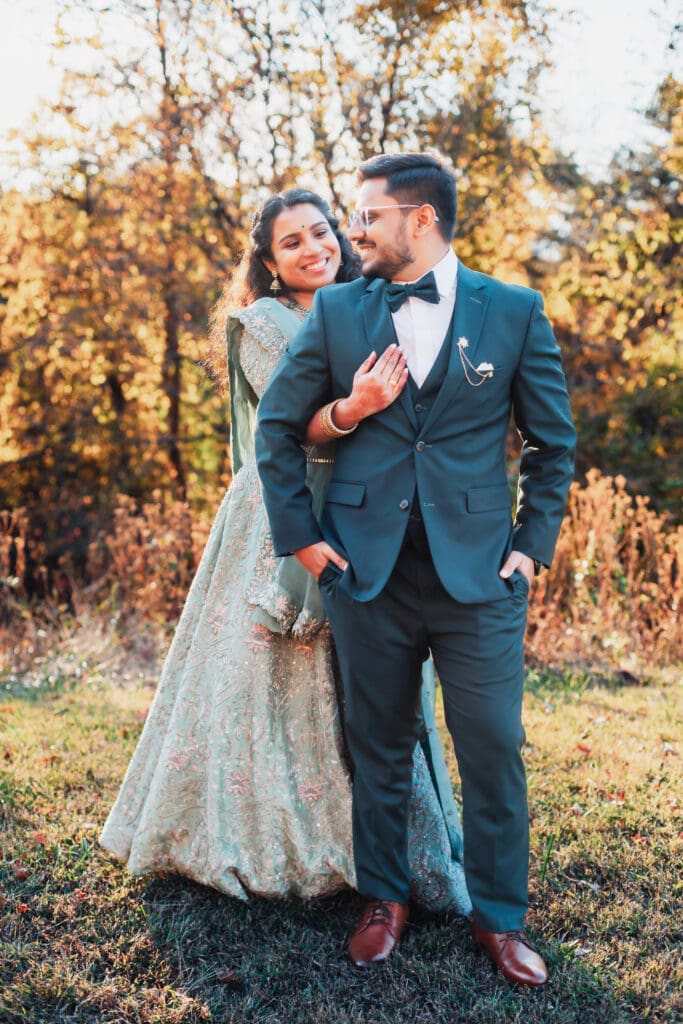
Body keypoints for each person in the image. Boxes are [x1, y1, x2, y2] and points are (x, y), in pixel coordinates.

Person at [100, 188, 471, 917]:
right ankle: (282, 839)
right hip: (287, 511)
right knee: (272, 668)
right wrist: (355, 409)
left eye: (321, 232)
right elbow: (289, 423)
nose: (313, 248)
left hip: (369, 506)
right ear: (268, 263)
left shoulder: (371, 303)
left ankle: (389, 849)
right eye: (292, 242)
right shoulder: (262, 323)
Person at [255, 155, 576, 983]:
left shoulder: (512, 311)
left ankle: (500, 919)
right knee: (379, 745)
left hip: (481, 581)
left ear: (421, 219)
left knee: (493, 749)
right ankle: (383, 900)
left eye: (367, 216)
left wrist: (527, 548)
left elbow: (551, 445)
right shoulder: (336, 313)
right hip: (366, 573)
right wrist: (302, 540)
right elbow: (276, 430)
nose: (350, 230)